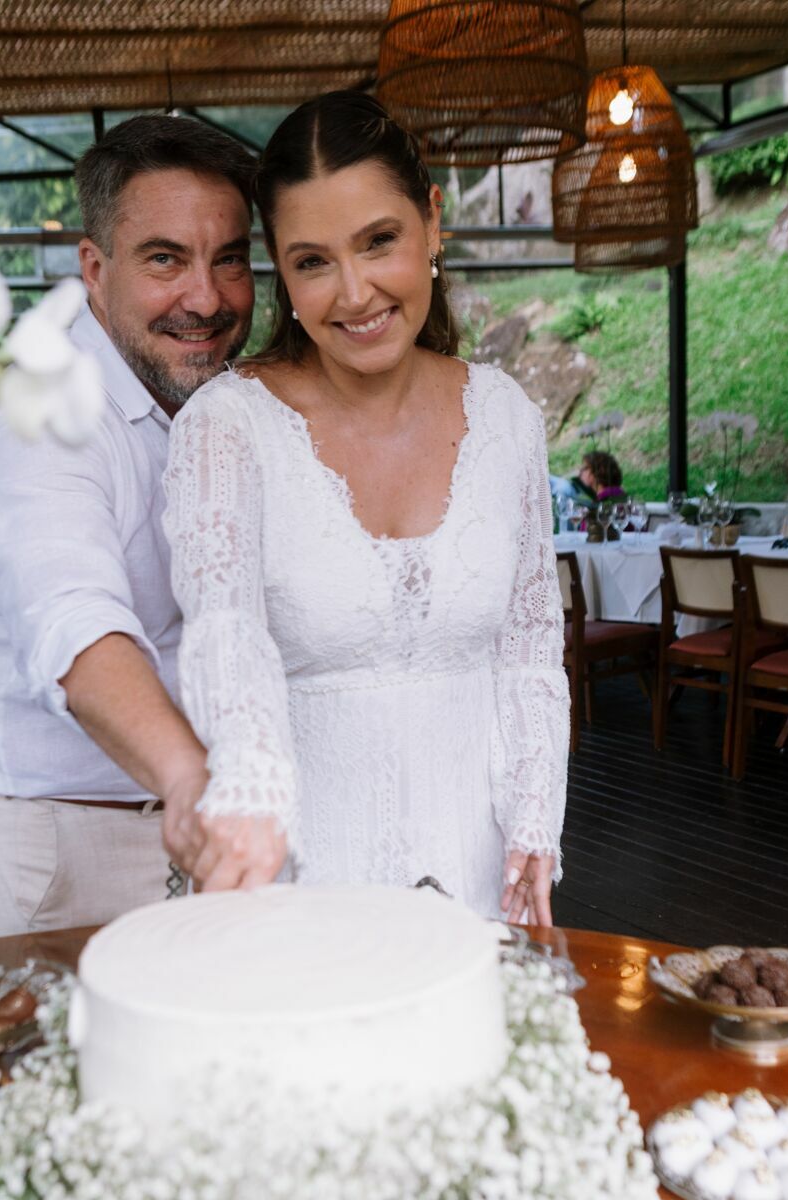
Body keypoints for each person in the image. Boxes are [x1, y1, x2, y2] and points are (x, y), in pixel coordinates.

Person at [163, 92, 568, 925]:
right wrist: (250, 815)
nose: (354, 293)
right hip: (297, 877)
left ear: (431, 222)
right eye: (313, 261)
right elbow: (223, 637)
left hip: (477, 868)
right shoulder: (227, 426)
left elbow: (529, 648)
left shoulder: (506, 418)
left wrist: (534, 826)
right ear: (280, 267)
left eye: (378, 241)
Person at [0, 115, 256, 935]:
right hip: (75, 844)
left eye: (229, 258)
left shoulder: (225, 402)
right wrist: (192, 779)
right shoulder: (42, 413)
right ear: (94, 268)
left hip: (212, 812)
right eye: (165, 259)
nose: (207, 298)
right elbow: (72, 620)